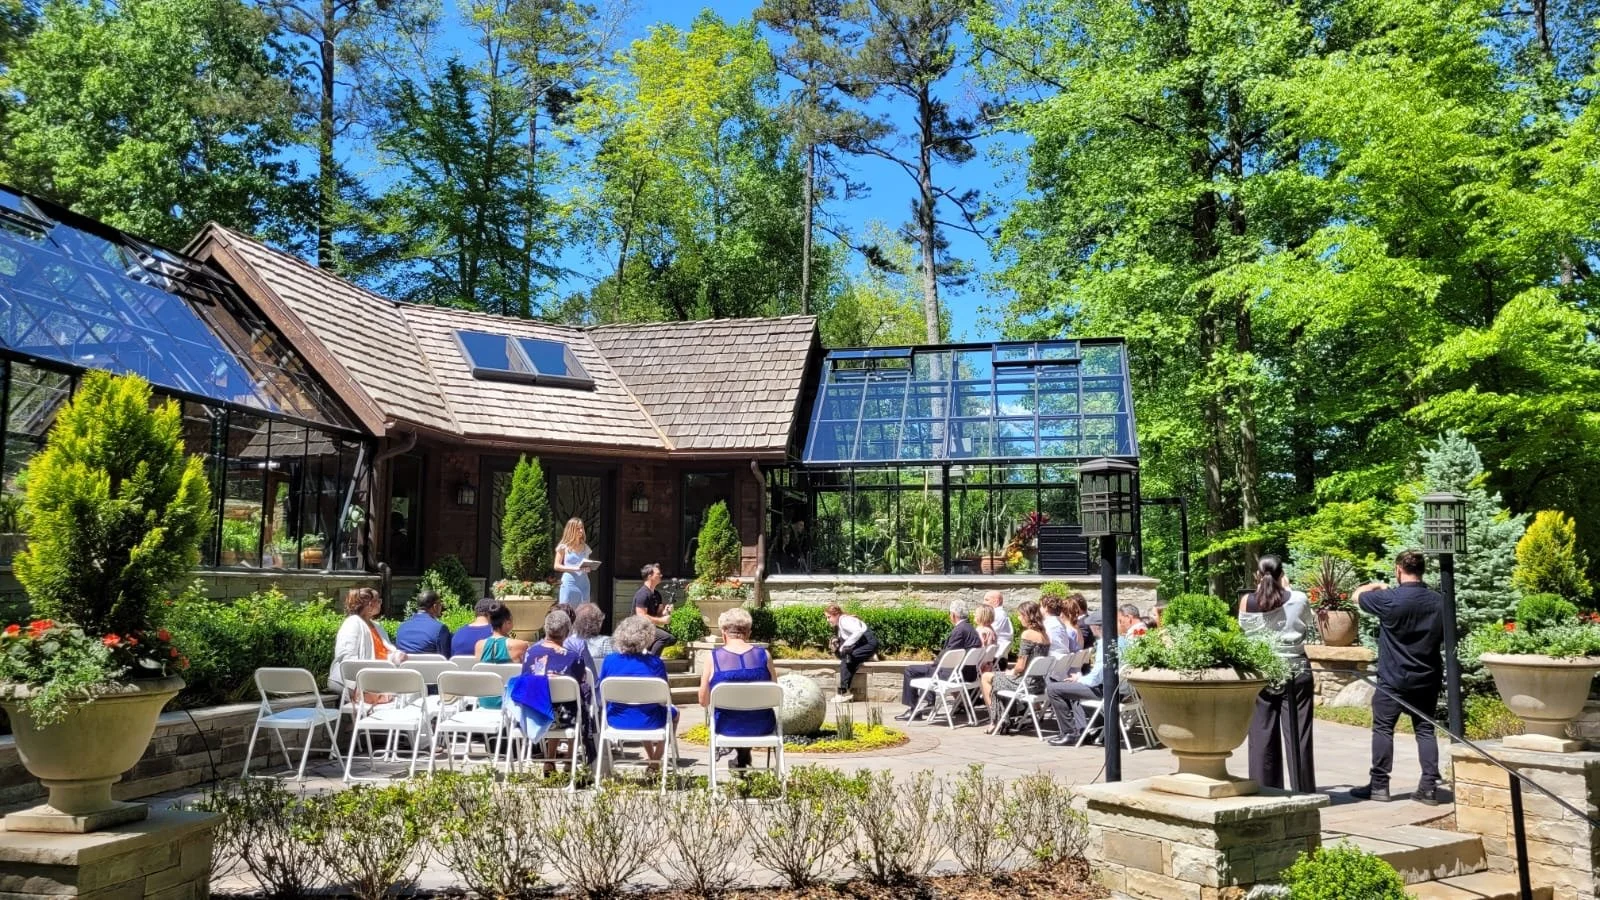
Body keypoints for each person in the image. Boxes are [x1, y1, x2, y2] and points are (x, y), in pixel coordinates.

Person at [1351, 550, 1445, 805]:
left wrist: (1377, 585)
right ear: (1422, 570)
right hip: (1426, 677)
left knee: (1383, 728)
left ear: (1398, 570)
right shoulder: (1438, 601)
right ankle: (1428, 787)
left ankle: (1379, 786)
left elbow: (1356, 596)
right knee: (1425, 730)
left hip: (1393, 679)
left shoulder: (1389, 598)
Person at [1240, 555, 1315, 792]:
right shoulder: (1299, 598)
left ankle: (1265, 789)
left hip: (1262, 672)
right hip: (1296, 670)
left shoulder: (1246, 601)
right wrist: (1288, 589)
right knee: (1299, 734)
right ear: (1282, 573)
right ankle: (1303, 790)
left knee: (1261, 735)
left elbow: (1245, 632)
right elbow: (1308, 624)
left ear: (1257, 575)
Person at [699, 607, 778, 769]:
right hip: (761, 725)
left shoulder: (713, 658)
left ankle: (740, 758)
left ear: (723, 633)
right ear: (748, 632)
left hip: (726, 727)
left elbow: (703, 700)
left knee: (735, 713)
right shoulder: (765, 655)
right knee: (748, 711)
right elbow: (775, 694)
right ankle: (742, 758)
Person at [598, 615, 678, 762]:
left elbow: (601, 693)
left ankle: (652, 758)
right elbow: (666, 698)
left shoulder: (609, 661)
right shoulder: (655, 663)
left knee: (641, 706)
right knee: (672, 713)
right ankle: (655, 761)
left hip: (615, 720)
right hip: (649, 721)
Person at [1044, 606, 1127, 746]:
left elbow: (1097, 676)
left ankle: (1070, 733)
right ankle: (1084, 731)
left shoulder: (1104, 644)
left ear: (1097, 627)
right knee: (1073, 689)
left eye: (1092, 626)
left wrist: (1079, 679)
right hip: (1120, 689)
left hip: (1107, 690)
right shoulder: (1122, 640)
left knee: (1053, 689)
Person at [517, 610, 590, 759]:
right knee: (574, 701)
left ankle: (549, 761)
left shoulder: (530, 654)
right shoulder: (573, 658)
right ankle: (570, 758)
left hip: (534, 714)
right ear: (568, 632)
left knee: (552, 700)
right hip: (565, 718)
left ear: (546, 629)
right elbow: (579, 685)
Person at [894, 601, 981, 721]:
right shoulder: (971, 628)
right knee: (929, 669)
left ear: (953, 615)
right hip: (969, 674)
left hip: (955, 675)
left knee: (911, 670)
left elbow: (949, 653)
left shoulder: (959, 630)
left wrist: (934, 664)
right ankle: (930, 702)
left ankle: (914, 710)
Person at [328, 587, 406, 703]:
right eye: (378, 601)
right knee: (395, 697)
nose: (381, 604)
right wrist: (362, 683)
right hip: (355, 681)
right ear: (370, 605)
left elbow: (383, 653)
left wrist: (395, 656)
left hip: (377, 678)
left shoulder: (377, 626)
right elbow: (347, 658)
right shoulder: (352, 623)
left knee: (411, 689)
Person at [981, 600, 1051, 727]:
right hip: (1039, 683)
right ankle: (1005, 717)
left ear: (1027, 616)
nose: (1019, 618)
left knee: (986, 677)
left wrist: (1011, 672)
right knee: (999, 678)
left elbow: (1020, 666)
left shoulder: (1027, 634)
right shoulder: (1045, 635)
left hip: (1025, 683)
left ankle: (996, 720)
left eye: (1020, 615)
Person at [473, 604, 530, 710]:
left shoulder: (479, 645)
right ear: (506, 622)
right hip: (511, 702)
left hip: (485, 700)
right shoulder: (520, 645)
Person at [825, 603, 879, 701]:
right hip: (864, 644)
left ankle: (844, 693)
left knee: (846, 660)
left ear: (836, 614)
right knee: (846, 657)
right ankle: (869, 656)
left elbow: (858, 631)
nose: (828, 620)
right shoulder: (841, 623)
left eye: (829, 617)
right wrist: (838, 643)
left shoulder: (845, 620)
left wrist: (845, 646)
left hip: (868, 644)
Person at [632, 563, 675, 655]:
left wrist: (665, 612)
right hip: (639, 628)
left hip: (650, 627)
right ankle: (652, 662)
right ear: (650, 576)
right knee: (665, 637)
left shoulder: (657, 594)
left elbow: (658, 615)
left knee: (672, 639)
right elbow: (642, 617)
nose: (661, 575)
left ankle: (647, 654)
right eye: (658, 574)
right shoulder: (642, 594)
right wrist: (662, 621)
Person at [394, 590, 452, 655]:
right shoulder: (440, 629)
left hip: (405, 665)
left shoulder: (401, 627)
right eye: (440, 604)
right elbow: (446, 658)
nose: (441, 606)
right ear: (435, 606)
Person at [553, 517, 593, 607]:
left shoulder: (585, 547)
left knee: (583, 613)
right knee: (567, 610)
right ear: (571, 530)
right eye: (578, 528)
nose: (581, 531)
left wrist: (588, 567)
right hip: (569, 583)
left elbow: (586, 564)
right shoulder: (563, 547)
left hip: (584, 583)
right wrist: (575, 568)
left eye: (582, 528)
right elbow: (556, 566)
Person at [574, 602, 613, 674]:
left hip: (575, 682)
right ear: (598, 622)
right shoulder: (605, 642)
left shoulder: (569, 641)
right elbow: (612, 667)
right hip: (598, 683)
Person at [983, 591, 1012, 665]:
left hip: (994, 658)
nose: (983, 603)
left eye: (987, 600)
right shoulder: (1000, 613)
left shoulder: (997, 614)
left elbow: (986, 635)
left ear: (996, 601)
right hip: (998, 657)